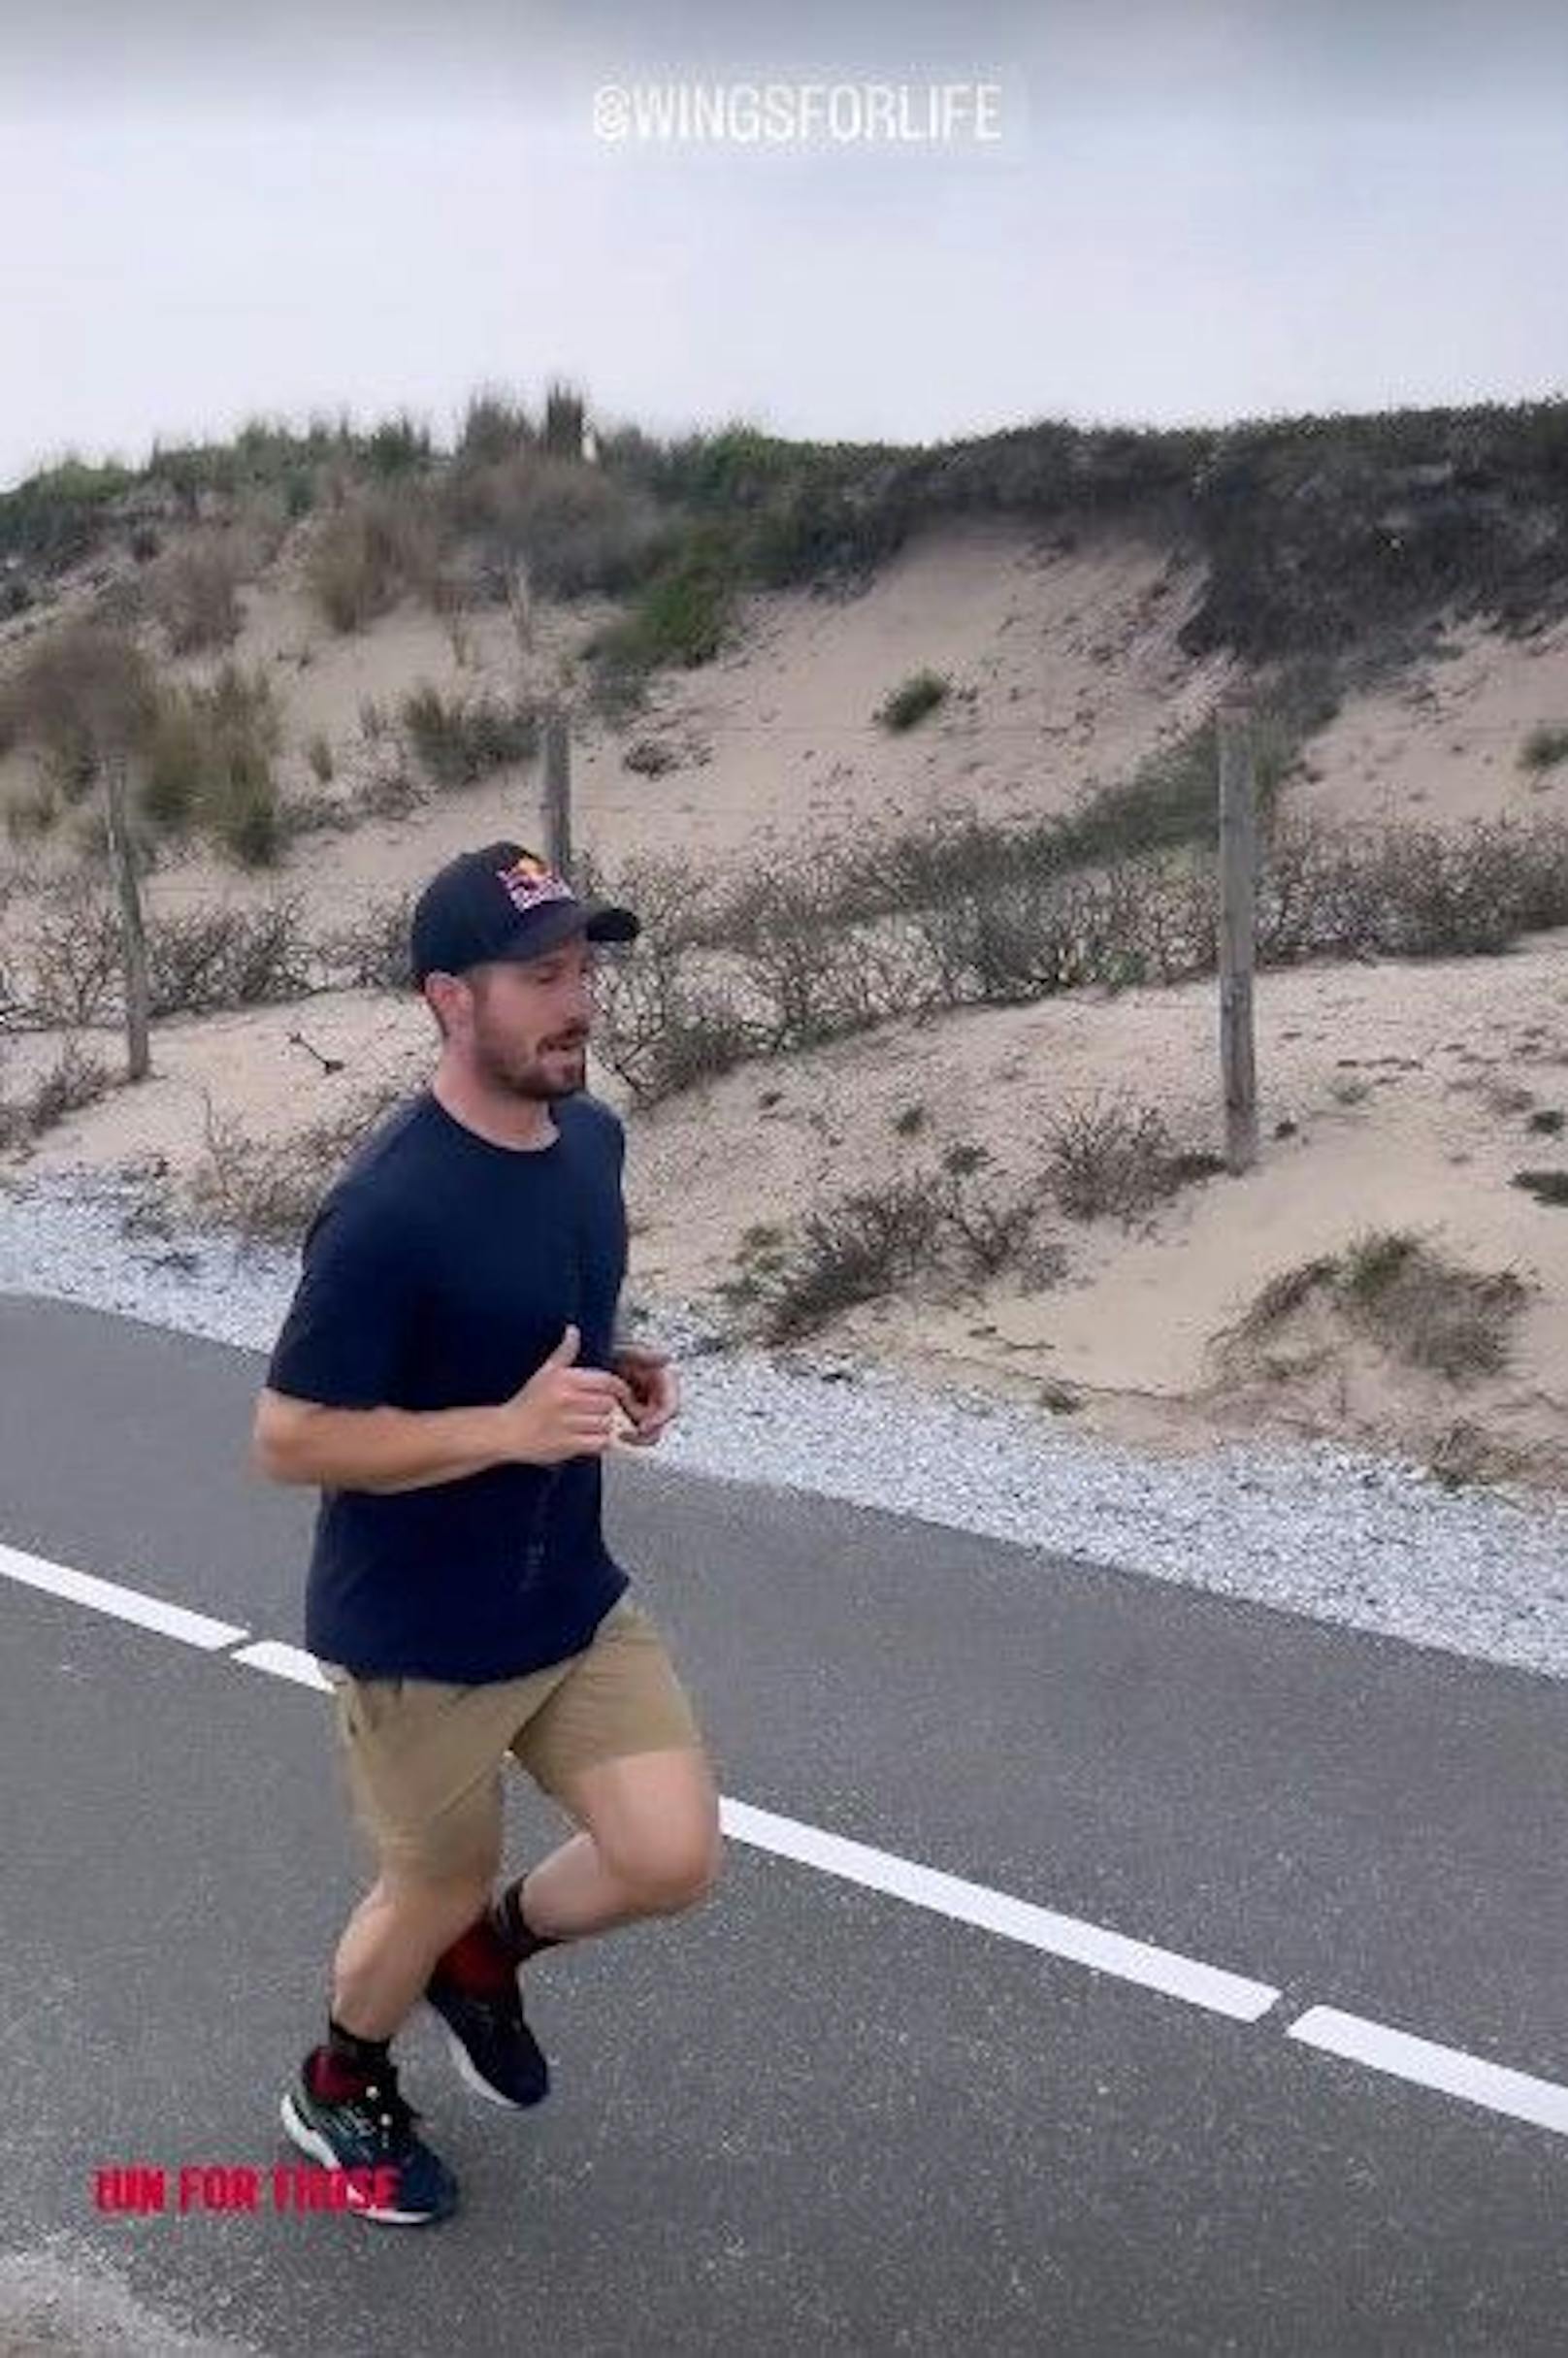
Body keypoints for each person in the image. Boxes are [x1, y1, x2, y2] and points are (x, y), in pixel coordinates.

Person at [251, 840, 722, 2226]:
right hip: (423, 1635)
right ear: (449, 999)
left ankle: (485, 1961)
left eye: (584, 967)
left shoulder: (592, 1138)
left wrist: (619, 1365)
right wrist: (504, 1431)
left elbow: (547, 1311)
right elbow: (289, 1434)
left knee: (669, 1852)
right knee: (431, 1880)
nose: (577, 1001)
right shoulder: (388, 1209)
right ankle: (336, 2087)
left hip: (565, 1591)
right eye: (541, 975)